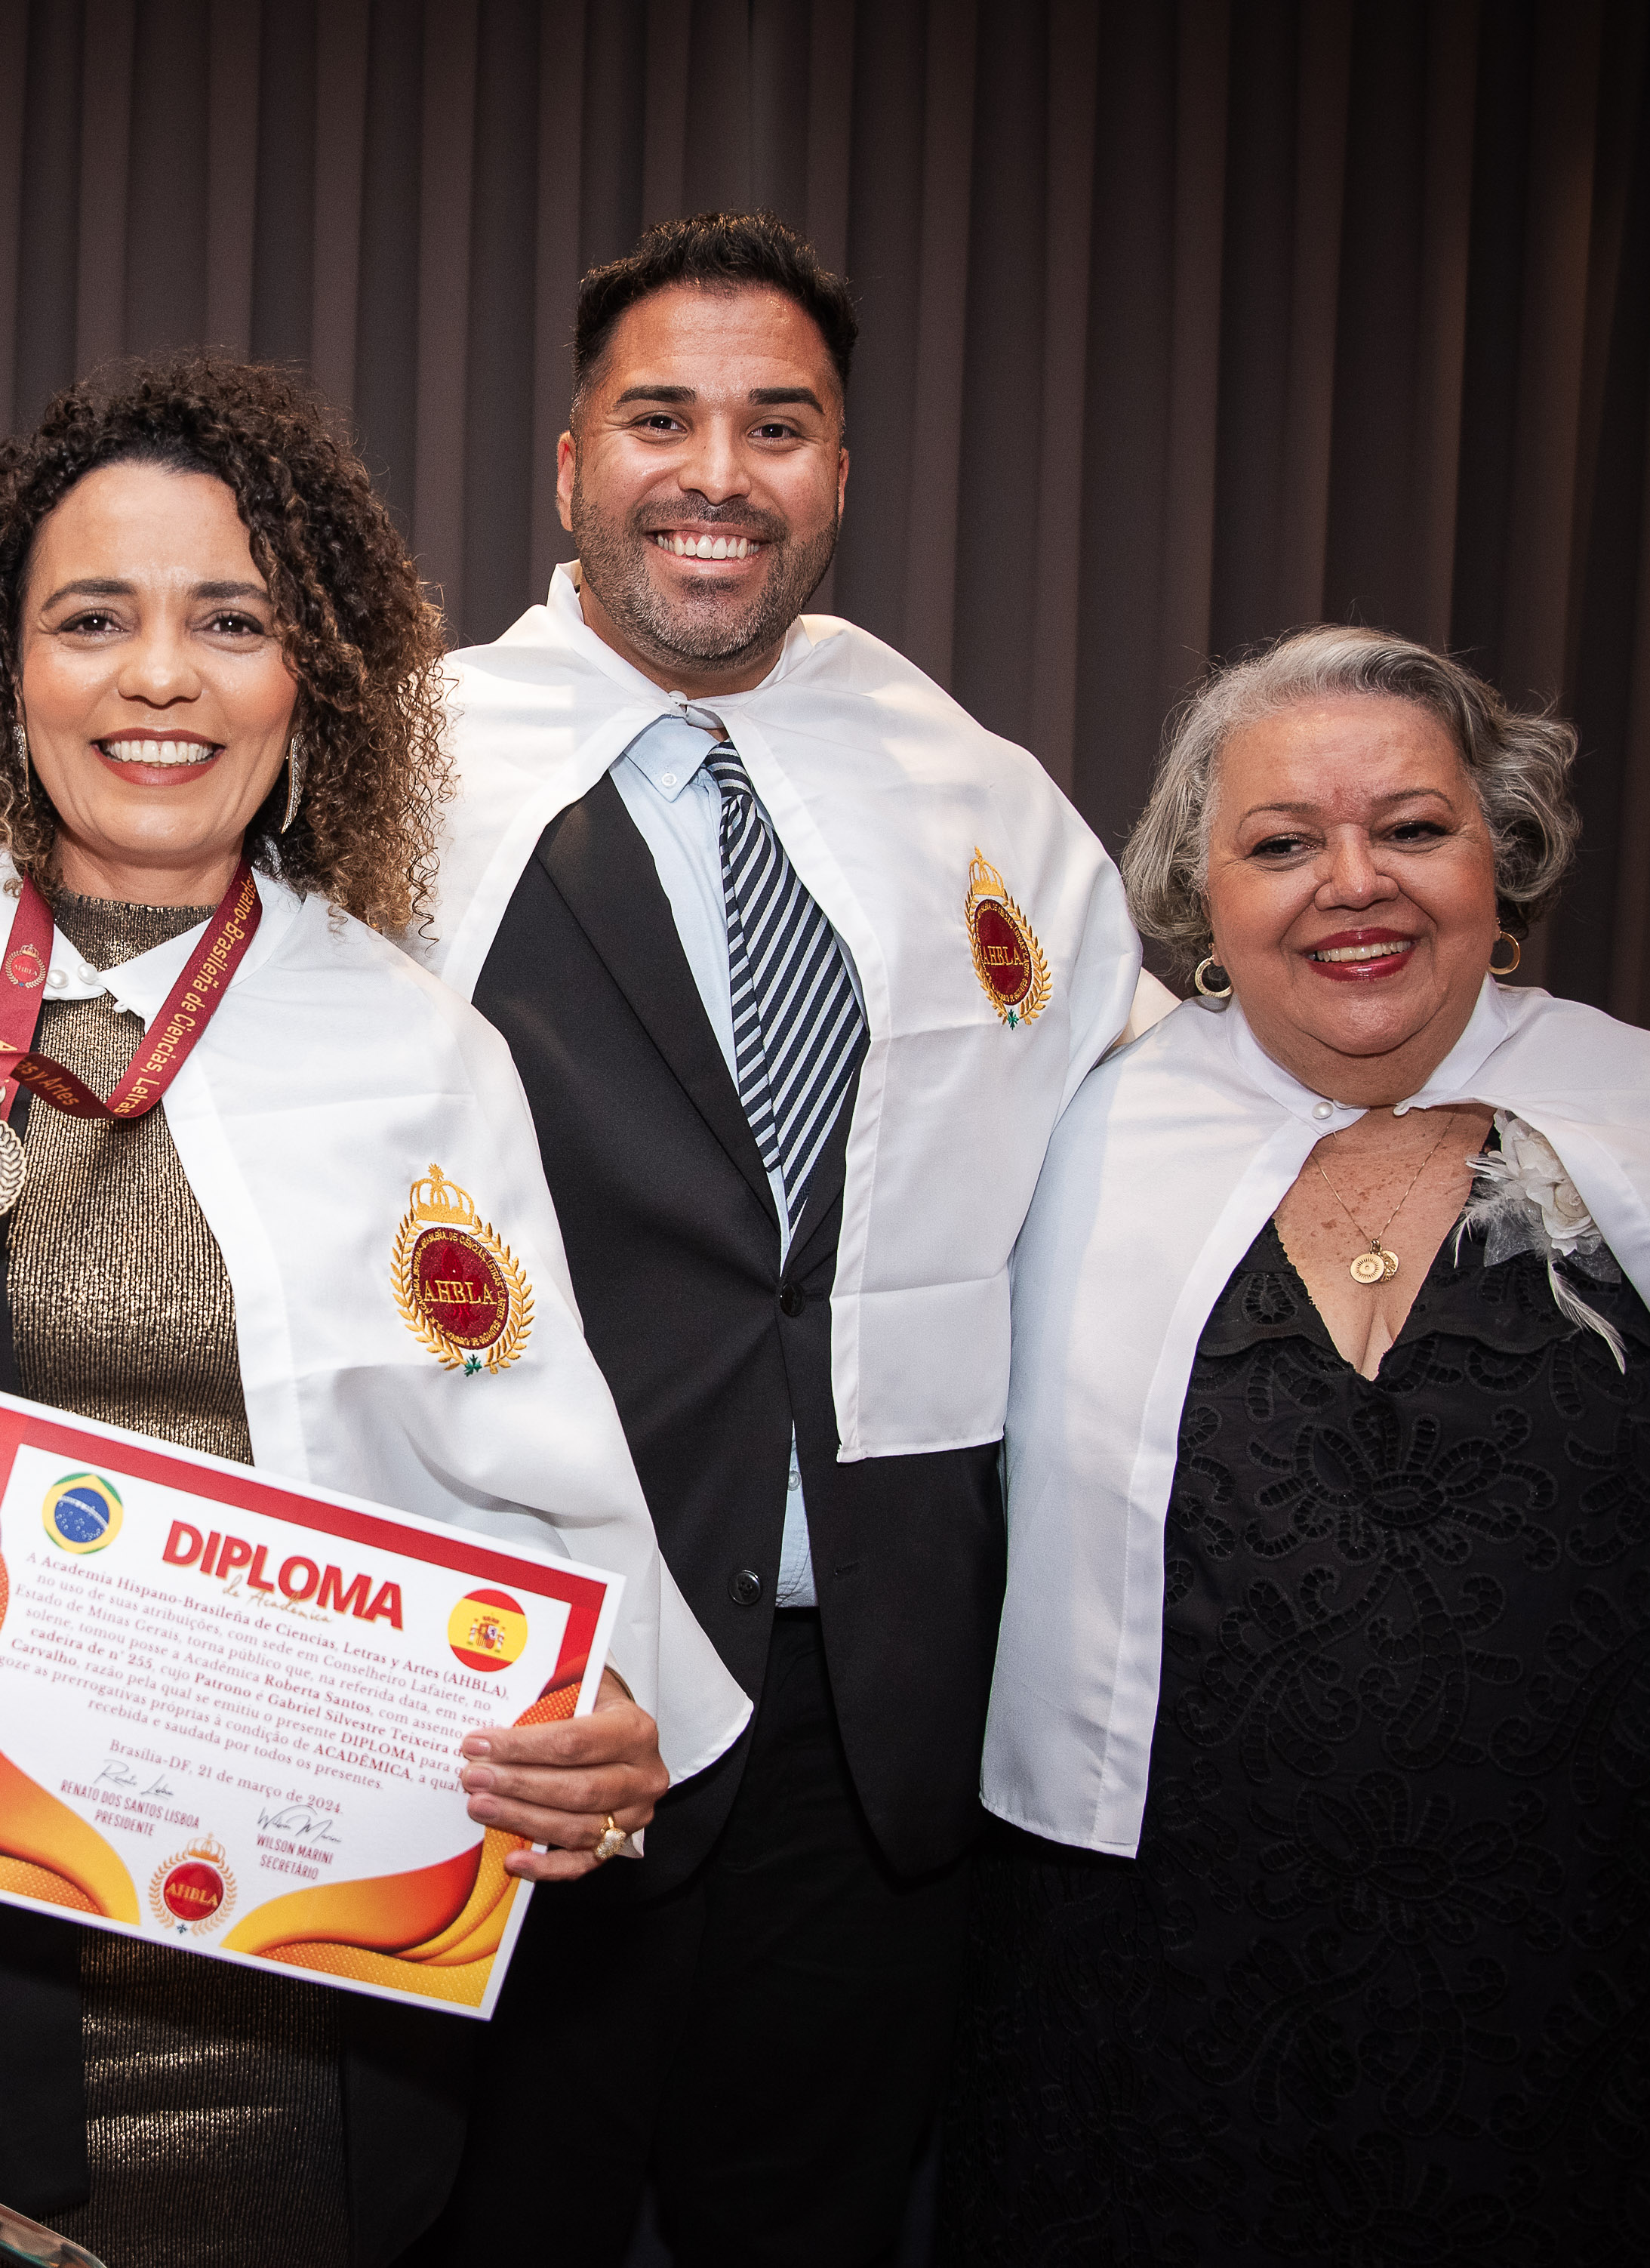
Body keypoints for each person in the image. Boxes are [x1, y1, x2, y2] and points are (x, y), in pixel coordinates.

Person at [0, 354, 747, 2268]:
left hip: (313, 1949)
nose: (159, 680)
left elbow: (541, 1498)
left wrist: (598, 1717)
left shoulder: (416, 1047)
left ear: (316, 675)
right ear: (4, 672)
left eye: (232, 620)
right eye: (92, 620)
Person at [949, 626, 1650, 2262]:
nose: (1354, 883)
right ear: (1205, 889)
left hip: (1612, 1986)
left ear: (1500, 854)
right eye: (1280, 842)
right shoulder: (1071, 1141)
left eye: (1412, 826)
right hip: (1160, 1997)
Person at [403, 214, 1157, 2263]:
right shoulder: (392, 769)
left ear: (838, 472)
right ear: (568, 463)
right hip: (526, 1700)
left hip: (871, 1709)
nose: (715, 473)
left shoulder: (975, 786)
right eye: (661, 416)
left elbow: (1144, 1129)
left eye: (778, 425)